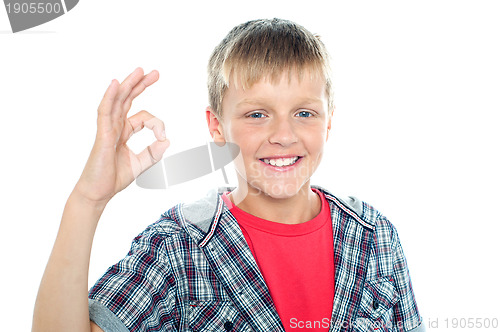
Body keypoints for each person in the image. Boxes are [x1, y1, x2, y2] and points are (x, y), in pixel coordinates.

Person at [32, 18, 425, 332]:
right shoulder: (177, 248)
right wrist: (88, 200)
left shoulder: (376, 237)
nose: (284, 136)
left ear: (328, 122)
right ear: (217, 126)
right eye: (257, 114)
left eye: (304, 113)